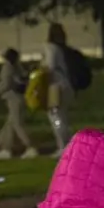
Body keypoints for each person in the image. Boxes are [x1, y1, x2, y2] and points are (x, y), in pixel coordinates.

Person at [0, 48, 38, 159]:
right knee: (10, 124)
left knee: (17, 124)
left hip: (12, 98)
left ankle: (30, 146)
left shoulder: (7, 67)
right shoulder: (17, 67)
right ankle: (5, 148)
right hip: (18, 97)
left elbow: (7, 83)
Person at [43, 23, 74, 155]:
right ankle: (67, 144)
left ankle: (62, 146)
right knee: (63, 117)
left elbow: (50, 66)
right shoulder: (62, 49)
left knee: (55, 117)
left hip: (55, 86)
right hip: (66, 85)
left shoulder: (50, 48)